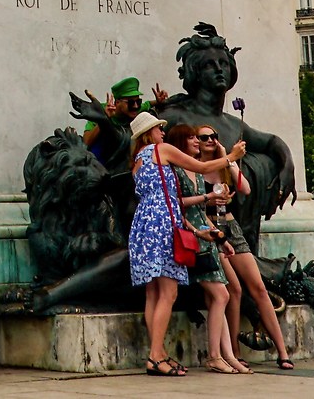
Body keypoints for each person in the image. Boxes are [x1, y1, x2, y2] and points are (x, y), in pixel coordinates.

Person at [124, 111, 243, 377]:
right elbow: (200, 167)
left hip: (143, 226)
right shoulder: (161, 150)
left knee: (153, 294)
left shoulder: (137, 161)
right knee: (169, 293)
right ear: (149, 134)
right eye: (158, 128)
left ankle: (159, 351)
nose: (163, 132)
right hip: (162, 225)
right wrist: (231, 158)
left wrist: (193, 230)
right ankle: (155, 356)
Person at [193, 126, 293, 369]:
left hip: (231, 226)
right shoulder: (195, 167)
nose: (210, 140)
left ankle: (283, 351)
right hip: (211, 229)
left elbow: (246, 189)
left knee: (257, 286)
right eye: (204, 137)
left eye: (214, 136)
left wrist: (228, 160)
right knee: (233, 289)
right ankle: (234, 352)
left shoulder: (223, 164)